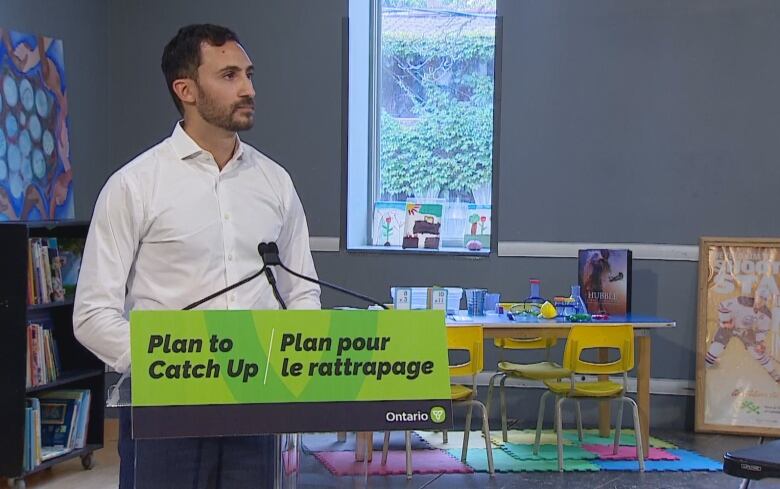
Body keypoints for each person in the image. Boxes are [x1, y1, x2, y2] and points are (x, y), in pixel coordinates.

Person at [73, 24, 321, 488]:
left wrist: (290, 363)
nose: (247, 88)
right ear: (185, 89)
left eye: (248, 74)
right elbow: (91, 314)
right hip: (165, 414)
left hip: (257, 407)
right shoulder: (134, 185)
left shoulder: (275, 183)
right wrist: (172, 366)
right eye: (229, 75)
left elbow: (302, 291)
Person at [705, 285, 779, 383]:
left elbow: (762, 331)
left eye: (764, 299)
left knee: (757, 352)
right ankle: (706, 365)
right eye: (759, 297)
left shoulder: (766, 314)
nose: (760, 301)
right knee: (717, 346)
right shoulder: (742, 301)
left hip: (746, 331)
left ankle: (774, 373)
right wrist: (726, 321)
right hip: (730, 326)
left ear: (767, 301)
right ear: (755, 296)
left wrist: (759, 342)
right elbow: (723, 305)